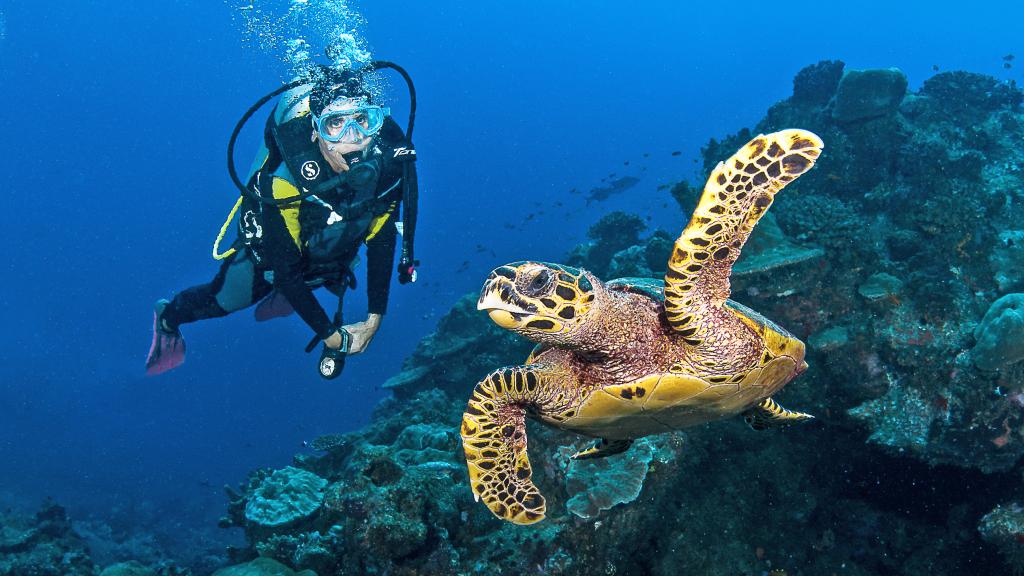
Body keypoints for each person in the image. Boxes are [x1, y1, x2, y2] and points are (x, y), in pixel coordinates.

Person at [146, 65, 419, 379]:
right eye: (335, 125)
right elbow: (287, 271)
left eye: (362, 120)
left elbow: (382, 242)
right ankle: (167, 318)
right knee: (226, 299)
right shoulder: (286, 178)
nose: (353, 138)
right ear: (315, 130)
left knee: (339, 254)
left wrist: (374, 319)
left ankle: (303, 288)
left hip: (328, 250)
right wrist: (331, 336)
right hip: (275, 256)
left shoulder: (390, 164)